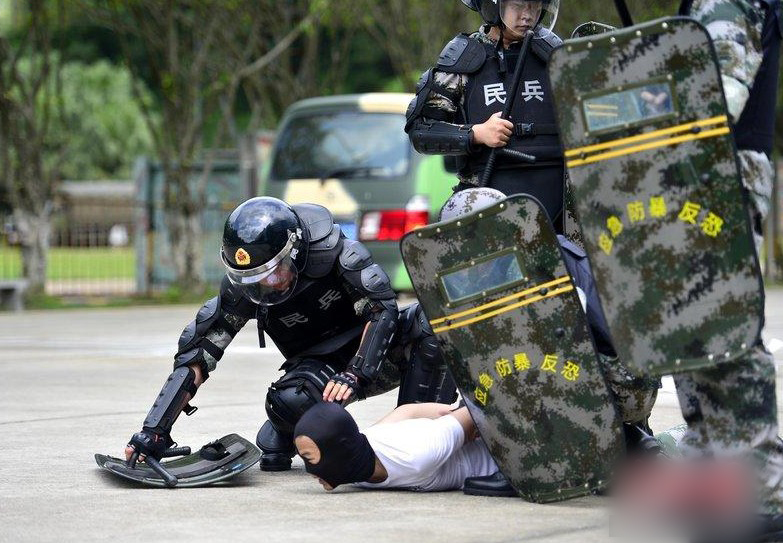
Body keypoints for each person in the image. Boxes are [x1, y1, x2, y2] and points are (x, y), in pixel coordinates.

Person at [124, 197, 456, 472]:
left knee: (436, 321)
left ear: (294, 252)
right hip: (318, 371)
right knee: (288, 401)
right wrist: (154, 431)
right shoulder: (243, 290)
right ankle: (284, 429)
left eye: (269, 274)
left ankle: (419, 437)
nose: (261, 286)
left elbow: (382, 309)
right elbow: (198, 355)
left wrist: (356, 373)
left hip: (377, 353)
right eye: (249, 278)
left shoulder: (338, 254)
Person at [436, 188, 661, 496]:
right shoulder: (535, 249)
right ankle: (627, 444)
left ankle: (535, 469)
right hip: (624, 379)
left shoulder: (539, 263)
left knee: (514, 355)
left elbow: (556, 345)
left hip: (620, 384)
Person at [672, 0, 783, 538]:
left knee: (725, 326)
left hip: (717, 164)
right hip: (704, 165)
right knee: (691, 328)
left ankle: (761, 493)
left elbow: (714, 97)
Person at [405, 0, 567, 231]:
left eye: (534, 5)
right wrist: (476, 134)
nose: (527, 15)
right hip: (489, 210)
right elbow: (420, 130)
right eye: (518, 5)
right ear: (492, 8)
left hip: (563, 210)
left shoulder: (556, 55)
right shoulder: (464, 60)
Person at [294, 401, 498, 492]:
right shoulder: (360, 454)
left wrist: (458, 417)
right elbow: (406, 411)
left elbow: (478, 405)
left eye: (310, 458)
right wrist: (450, 411)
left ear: (340, 450)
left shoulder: (416, 454)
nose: (310, 471)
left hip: (502, 463)